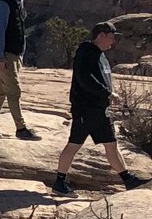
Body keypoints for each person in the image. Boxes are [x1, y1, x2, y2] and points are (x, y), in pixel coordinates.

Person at [53, 22, 148, 196]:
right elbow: (85, 79)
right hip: (85, 109)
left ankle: (128, 179)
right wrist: (108, 93)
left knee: (111, 145)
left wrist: (107, 96)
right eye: (111, 37)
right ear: (101, 35)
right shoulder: (86, 53)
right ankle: (59, 182)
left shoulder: (100, 55)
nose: (112, 41)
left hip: (100, 110)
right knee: (74, 144)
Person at [0, 0, 39, 139]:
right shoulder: (4, 4)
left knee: (1, 91)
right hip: (7, 55)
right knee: (14, 91)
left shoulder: (16, 2)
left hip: (14, 55)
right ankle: (21, 129)